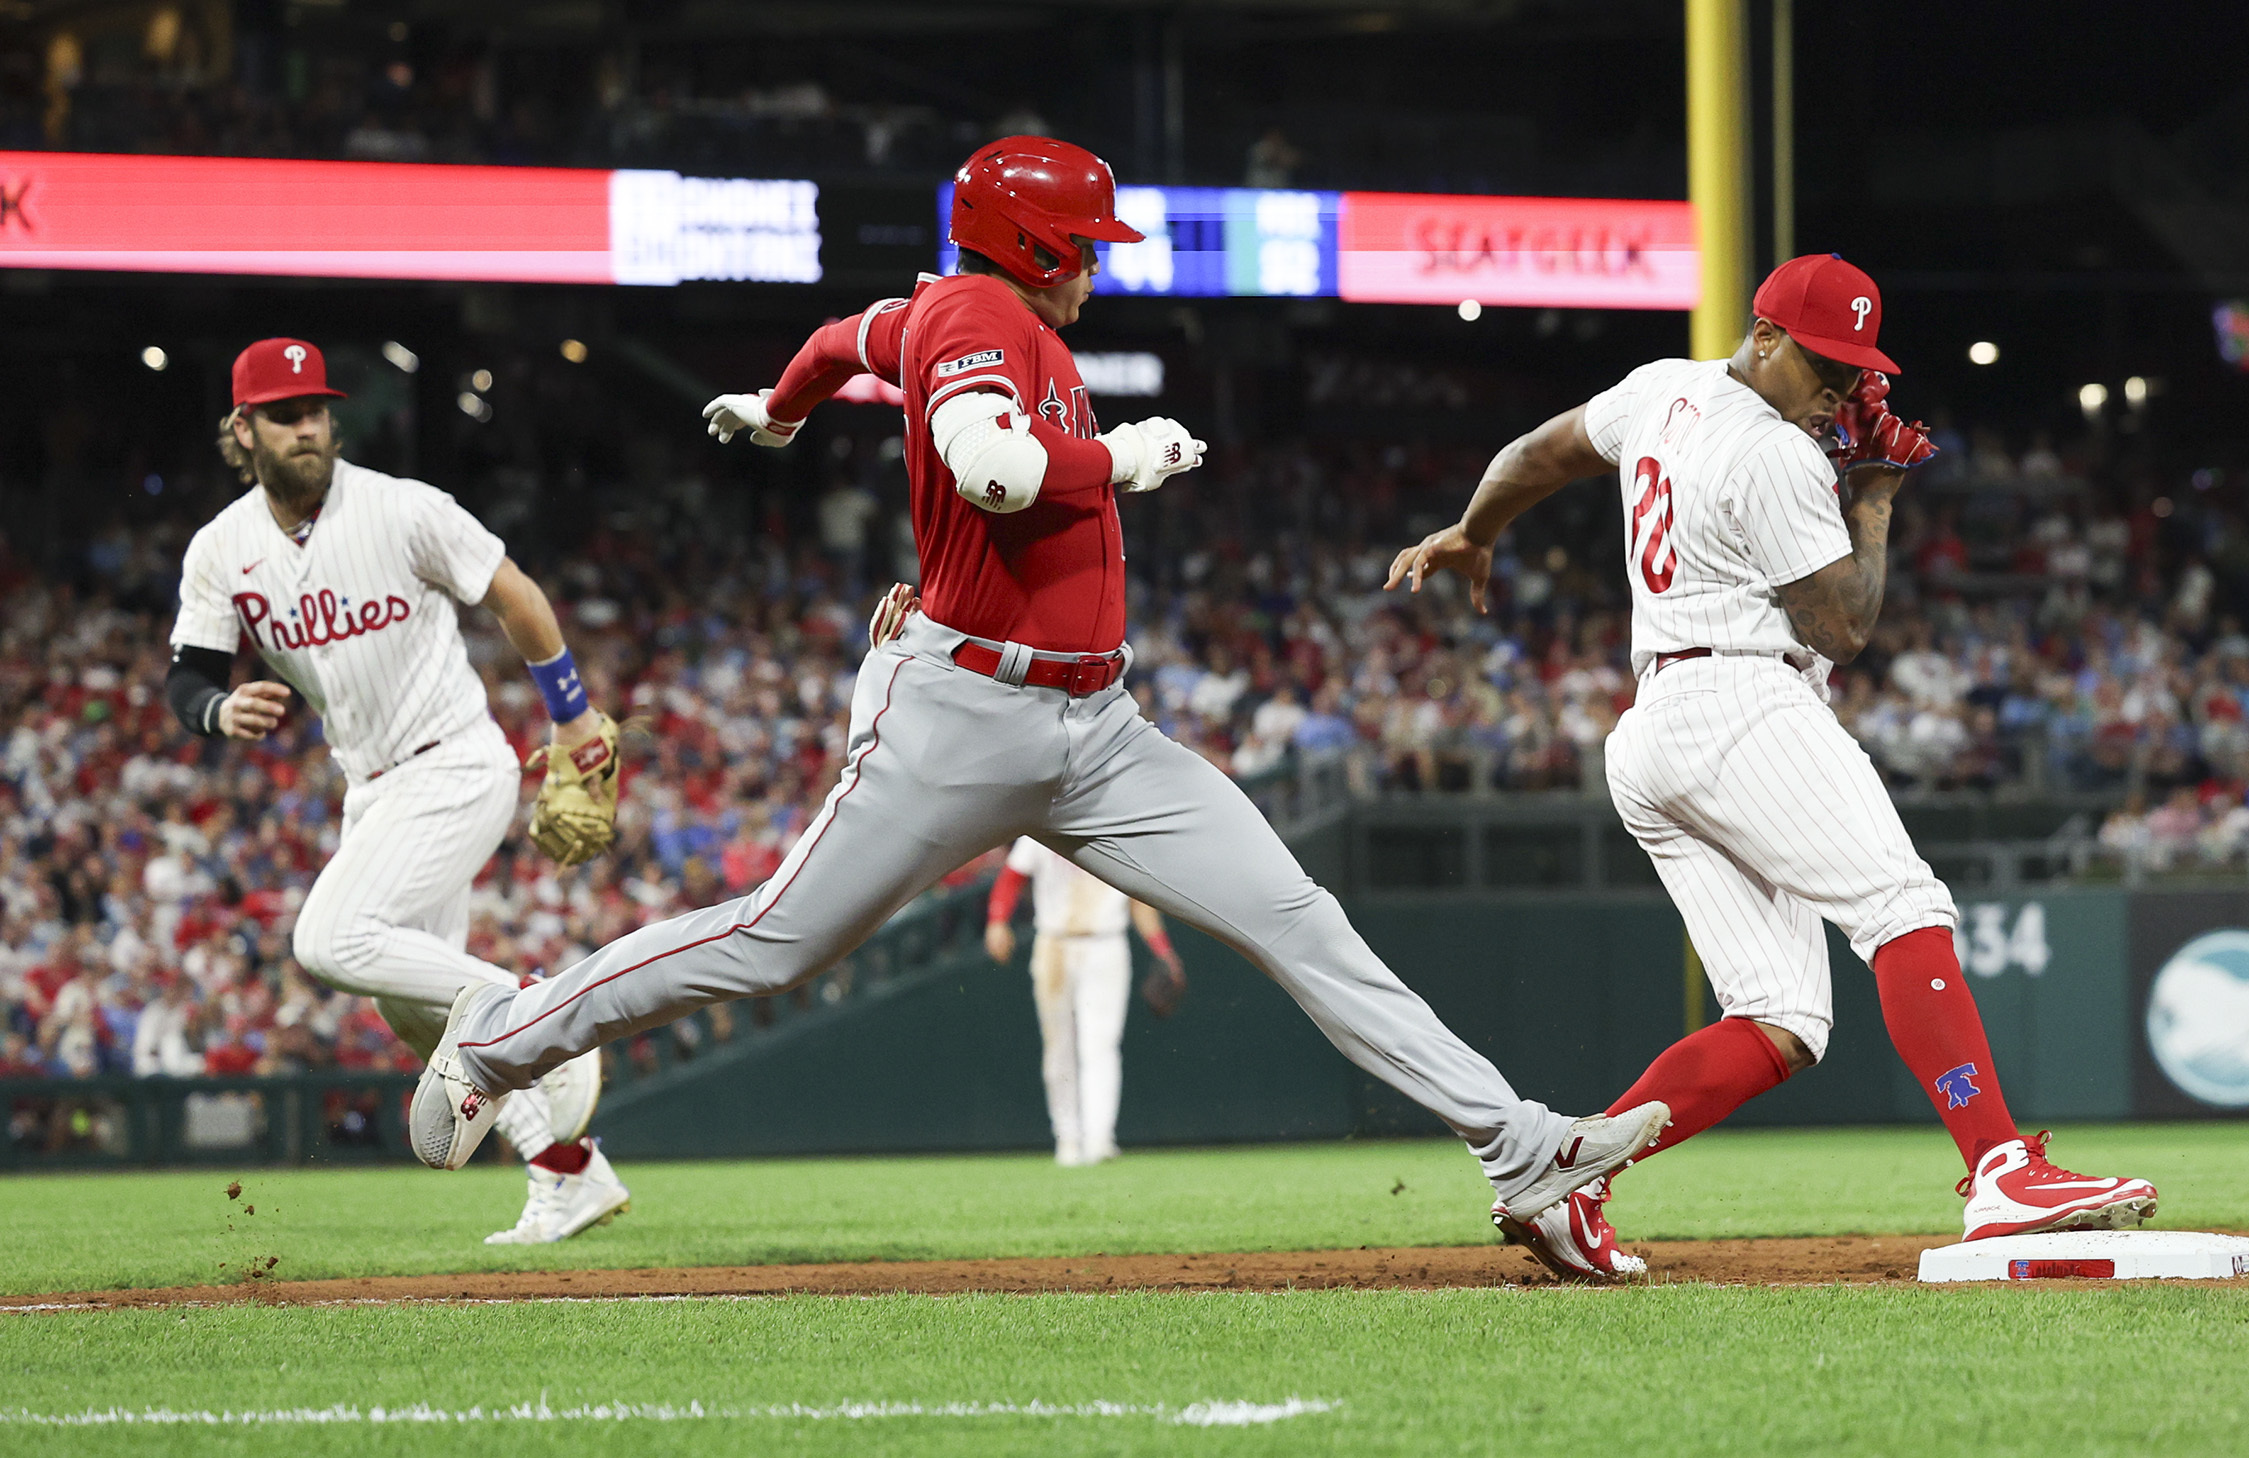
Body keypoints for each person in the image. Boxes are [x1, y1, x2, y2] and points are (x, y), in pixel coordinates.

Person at [407, 137, 1668, 1265]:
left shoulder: (957, 317)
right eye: (1084, 248)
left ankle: (1521, 1151)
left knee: (1296, 914)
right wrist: (1132, 453)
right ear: (1033, 244)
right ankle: (500, 1039)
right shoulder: (974, 314)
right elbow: (997, 471)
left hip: (1099, 729)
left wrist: (781, 410)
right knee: (775, 940)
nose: (1096, 269)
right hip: (965, 712)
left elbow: (844, 339)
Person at [1387, 254, 2160, 1276]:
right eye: (1823, 360)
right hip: (1744, 700)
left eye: (1853, 366)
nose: (1839, 385)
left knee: (1786, 1021)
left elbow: (1542, 451)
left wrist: (1474, 530)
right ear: (1764, 335)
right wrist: (1876, 500)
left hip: (1656, 726)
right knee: (1901, 905)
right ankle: (1999, 1168)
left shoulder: (1660, 387)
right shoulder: (1779, 457)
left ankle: (1565, 1180)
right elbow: (1840, 628)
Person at [165, 338, 632, 1246]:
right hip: (372, 787)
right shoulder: (222, 549)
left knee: (331, 938)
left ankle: (540, 1011)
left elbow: (515, 594)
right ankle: (567, 1173)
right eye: (284, 414)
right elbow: (187, 677)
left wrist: (573, 721)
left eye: (317, 410)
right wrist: (219, 711)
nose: (307, 426)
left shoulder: (401, 508)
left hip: (456, 762)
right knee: (414, 1008)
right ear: (242, 429)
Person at [985, 836, 1185, 1166]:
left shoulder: (1118, 832)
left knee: (1101, 1043)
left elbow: (1138, 901)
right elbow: (1012, 876)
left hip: (1105, 944)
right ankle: (1068, 1140)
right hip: (1054, 943)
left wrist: (1163, 949)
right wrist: (996, 920)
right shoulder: (1045, 825)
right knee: (1058, 1046)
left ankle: (1099, 1139)